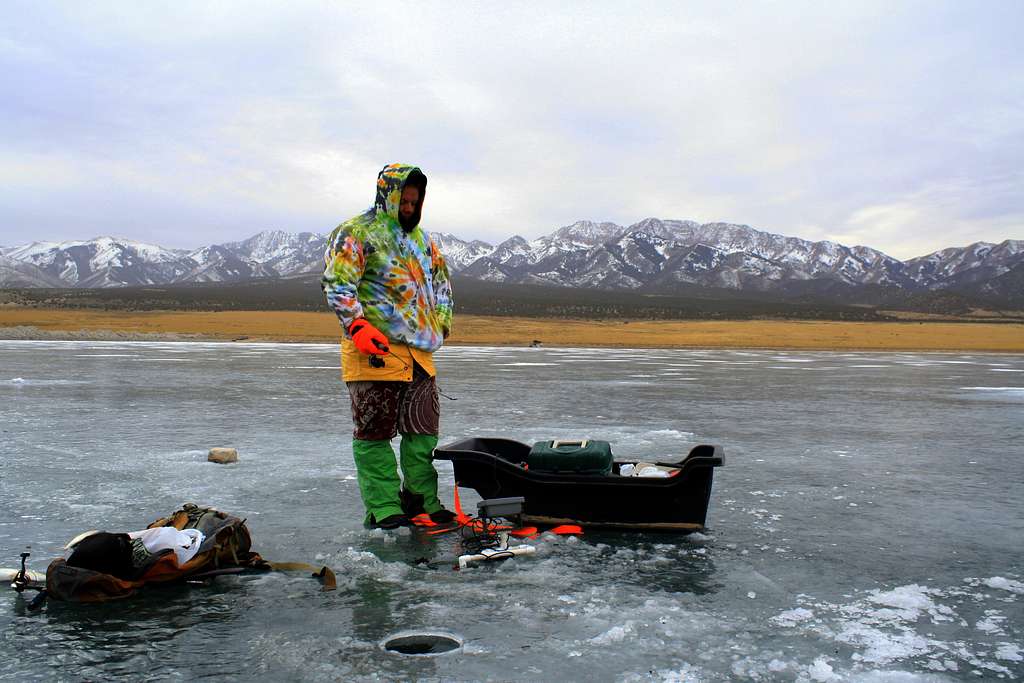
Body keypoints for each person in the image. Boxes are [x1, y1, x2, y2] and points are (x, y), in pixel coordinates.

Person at [322, 163, 455, 529]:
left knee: (422, 434)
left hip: (420, 355)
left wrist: (442, 321)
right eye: (404, 202)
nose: (409, 209)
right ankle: (384, 507)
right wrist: (358, 325)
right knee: (375, 434)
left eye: (415, 202)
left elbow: (443, 286)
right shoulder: (355, 233)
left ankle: (422, 500)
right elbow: (337, 284)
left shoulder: (424, 241)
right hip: (375, 351)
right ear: (388, 196)